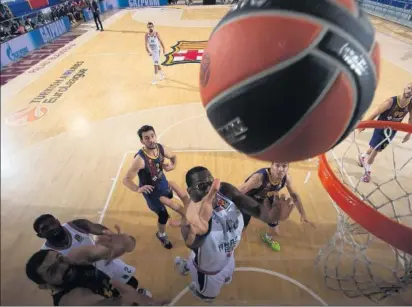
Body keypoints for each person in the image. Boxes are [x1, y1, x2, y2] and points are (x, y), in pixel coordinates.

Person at [171, 166, 294, 302]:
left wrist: (271, 216)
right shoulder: (192, 222)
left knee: (223, 269)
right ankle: (198, 288)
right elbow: (195, 243)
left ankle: (187, 265)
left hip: (228, 258)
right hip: (209, 273)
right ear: (190, 192)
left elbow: (257, 210)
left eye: (210, 183)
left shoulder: (224, 190)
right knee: (208, 297)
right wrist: (199, 234)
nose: (208, 189)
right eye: (201, 186)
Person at [25, 232, 161, 306]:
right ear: (43, 286)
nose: (63, 266)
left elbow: (128, 245)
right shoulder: (70, 300)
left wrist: (122, 242)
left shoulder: (75, 259)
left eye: (60, 258)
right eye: (52, 271)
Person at [33, 214, 148, 292]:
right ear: (40, 235)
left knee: (132, 284)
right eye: (45, 228)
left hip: (106, 264)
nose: (52, 228)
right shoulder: (46, 254)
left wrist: (107, 233)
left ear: (58, 221)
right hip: (88, 282)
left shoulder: (76, 225)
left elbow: (95, 227)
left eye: (52, 223)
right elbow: (46, 282)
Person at [122, 125, 180, 249]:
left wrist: (173, 166)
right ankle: (161, 234)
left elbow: (174, 156)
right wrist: (138, 189)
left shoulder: (161, 148)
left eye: (152, 136)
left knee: (169, 196)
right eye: (147, 138)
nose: (151, 140)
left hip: (163, 183)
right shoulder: (140, 159)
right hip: (152, 192)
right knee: (163, 216)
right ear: (142, 141)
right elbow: (126, 180)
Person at [238, 162, 315, 252]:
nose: (281, 169)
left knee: (275, 228)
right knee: (242, 228)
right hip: (249, 200)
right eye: (277, 165)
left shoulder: (287, 178)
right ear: (272, 166)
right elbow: (238, 192)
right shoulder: (258, 178)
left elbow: (294, 196)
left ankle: (267, 237)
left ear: (288, 168)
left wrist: (303, 214)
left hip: (266, 199)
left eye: (284, 166)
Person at [358, 82, 412, 182]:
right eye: (409, 88)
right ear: (404, 88)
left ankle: (362, 156)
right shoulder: (391, 101)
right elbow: (376, 112)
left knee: (376, 148)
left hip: (392, 129)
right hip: (381, 126)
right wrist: (364, 125)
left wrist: (409, 133)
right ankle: (367, 171)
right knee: (376, 150)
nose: (410, 91)